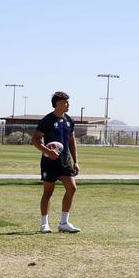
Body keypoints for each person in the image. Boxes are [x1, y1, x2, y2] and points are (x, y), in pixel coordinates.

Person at [32, 91, 80, 234]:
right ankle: (44, 224)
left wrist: (76, 161)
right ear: (57, 104)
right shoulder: (47, 120)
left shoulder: (69, 120)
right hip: (49, 162)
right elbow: (35, 140)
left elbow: (72, 141)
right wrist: (47, 151)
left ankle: (64, 223)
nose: (68, 105)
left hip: (65, 161)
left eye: (68, 102)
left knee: (72, 188)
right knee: (48, 192)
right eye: (65, 102)